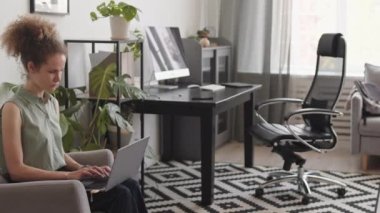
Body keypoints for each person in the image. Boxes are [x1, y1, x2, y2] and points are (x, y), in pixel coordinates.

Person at [0, 15, 147, 213]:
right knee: (121, 195)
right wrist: (70, 177)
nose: (58, 78)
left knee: (131, 184)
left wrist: (83, 168)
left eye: (61, 70)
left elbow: (56, 153)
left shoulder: (51, 102)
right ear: (31, 67)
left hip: (64, 182)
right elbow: (16, 171)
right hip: (41, 189)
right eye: (52, 71)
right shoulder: (13, 109)